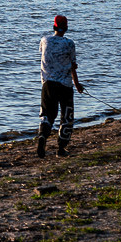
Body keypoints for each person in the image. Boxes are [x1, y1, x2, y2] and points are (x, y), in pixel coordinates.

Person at [37, 14, 85, 157]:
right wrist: (77, 85)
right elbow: (72, 67)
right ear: (67, 28)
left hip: (48, 85)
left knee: (47, 115)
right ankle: (61, 149)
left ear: (54, 26)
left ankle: (42, 136)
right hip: (65, 85)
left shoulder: (44, 40)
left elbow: (46, 56)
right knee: (66, 117)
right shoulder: (69, 44)